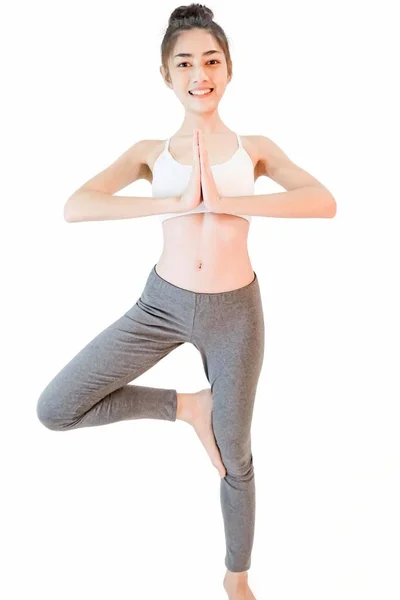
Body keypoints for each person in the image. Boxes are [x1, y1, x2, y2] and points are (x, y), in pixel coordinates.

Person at [36, 4, 336, 599]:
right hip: (161, 305)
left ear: (228, 69)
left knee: (236, 456)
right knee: (58, 407)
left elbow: (322, 200)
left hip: (234, 314)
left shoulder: (255, 147)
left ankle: (237, 577)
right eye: (185, 62)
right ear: (166, 75)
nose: (200, 73)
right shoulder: (151, 151)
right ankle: (186, 407)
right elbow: (77, 204)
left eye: (211, 60)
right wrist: (174, 203)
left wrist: (229, 199)